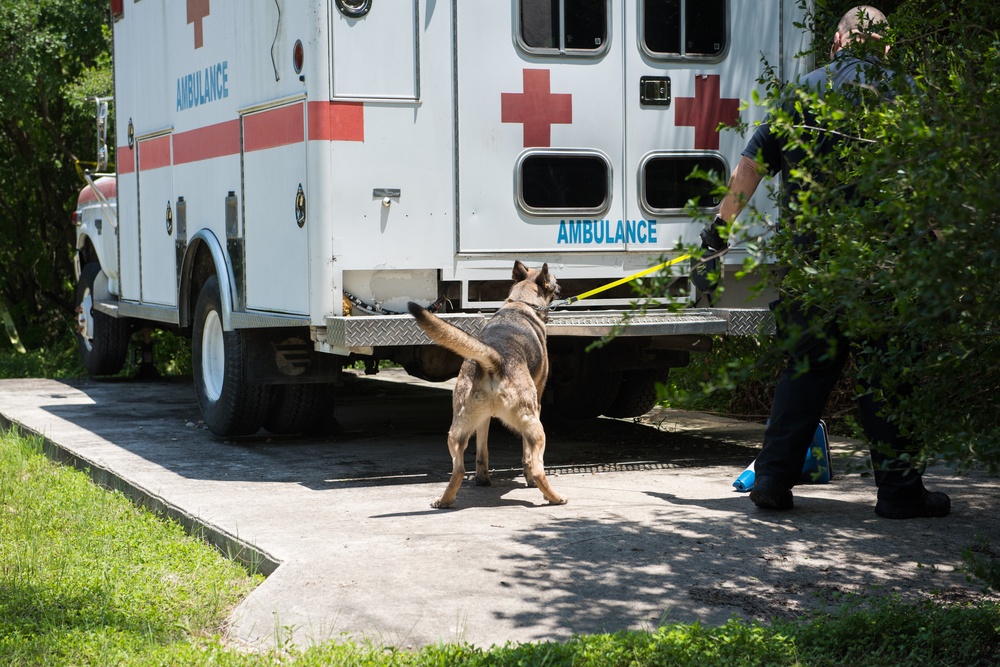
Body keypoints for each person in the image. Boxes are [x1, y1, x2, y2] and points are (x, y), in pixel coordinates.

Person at [702, 6, 950, 519]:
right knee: (887, 375)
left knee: (806, 371)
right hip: (889, 268)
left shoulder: (801, 93)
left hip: (813, 267)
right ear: (883, 47)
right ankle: (900, 492)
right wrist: (947, 253)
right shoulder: (907, 94)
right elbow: (934, 188)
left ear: (837, 42)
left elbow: (750, 167)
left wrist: (718, 235)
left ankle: (772, 481)